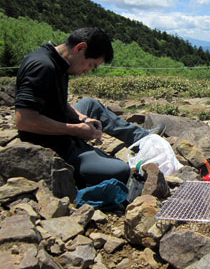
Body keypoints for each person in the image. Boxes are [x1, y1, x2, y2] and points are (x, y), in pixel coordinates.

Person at [15, 27, 165, 187]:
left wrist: (83, 118)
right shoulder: (43, 66)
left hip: (62, 127)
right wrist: (73, 129)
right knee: (121, 170)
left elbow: (57, 102)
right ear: (80, 48)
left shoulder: (58, 62)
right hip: (50, 143)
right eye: (90, 65)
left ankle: (141, 138)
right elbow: (24, 120)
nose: (86, 71)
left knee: (89, 104)